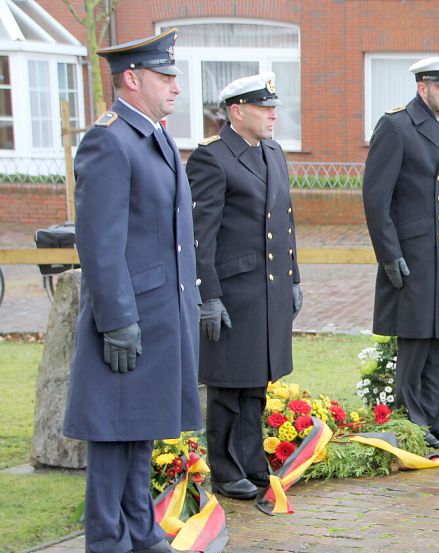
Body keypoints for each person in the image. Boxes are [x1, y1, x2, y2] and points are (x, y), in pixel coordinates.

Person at [62, 29, 199, 553]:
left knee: (139, 428)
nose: (175, 88)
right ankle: (107, 537)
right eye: (166, 77)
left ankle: (139, 530)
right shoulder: (110, 139)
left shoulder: (154, 134)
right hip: (128, 315)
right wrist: (117, 320)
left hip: (159, 310)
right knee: (113, 434)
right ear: (132, 79)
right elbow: (99, 242)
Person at [186, 72, 302, 500]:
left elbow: (284, 222)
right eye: (264, 108)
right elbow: (200, 235)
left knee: (257, 380)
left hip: (267, 288)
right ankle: (224, 466)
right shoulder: (212, 158)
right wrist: (207, 295)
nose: (274, 115)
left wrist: (294, 277)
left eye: (274, 107)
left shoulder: (271, 151)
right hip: (232, 290)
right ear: (237, 112)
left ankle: (251, 461)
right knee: (228, 384)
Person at [362, 57, 439, 448]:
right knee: (417, 340)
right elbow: (376, 198)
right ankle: (415, 421)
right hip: (415, 252)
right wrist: (388, 254)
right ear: (422, 87)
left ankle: (437, 416)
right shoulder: (396, 126)